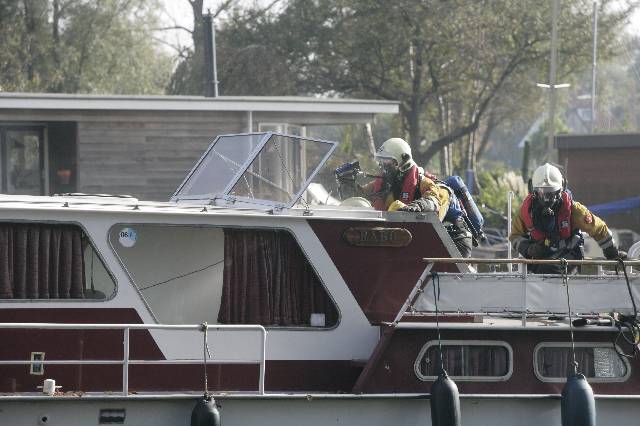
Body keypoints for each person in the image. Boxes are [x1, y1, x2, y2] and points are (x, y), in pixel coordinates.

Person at [335, 137, 474, 257]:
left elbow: (433, 202)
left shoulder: (424, 182)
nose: (382, 165)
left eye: (387, 160)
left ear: (402, 160)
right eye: (381, 160)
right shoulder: (384, 182)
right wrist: (346, 182)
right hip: (418, 238)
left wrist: (414, 206)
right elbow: (359, 200)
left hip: (454, 240)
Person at [510, 163, 626, 274]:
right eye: (542, 192)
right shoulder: (527, 211)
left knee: (549, 269)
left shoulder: (574, 210)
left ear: (561, 189)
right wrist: (529, 249)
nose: (546, 198)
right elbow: (515, 236)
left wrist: (612, 254)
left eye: (551, 192)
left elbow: (599, 229)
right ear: (534, 190)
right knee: (538, 270)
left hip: (569, 255)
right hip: (539, 257)